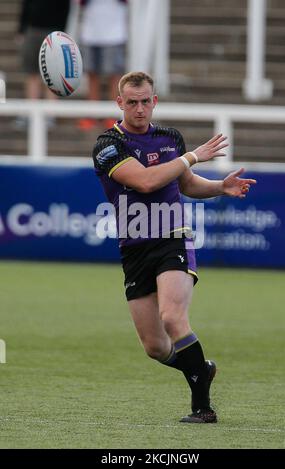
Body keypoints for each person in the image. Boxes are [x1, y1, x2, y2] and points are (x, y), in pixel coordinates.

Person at [92, 71, 256, 423]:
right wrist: (193, 156)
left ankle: (203, 408)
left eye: (146, 101)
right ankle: (201, 367)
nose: (139, 108)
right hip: (134, 248)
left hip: (172, 238)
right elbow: (146, 181)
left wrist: (218, 187)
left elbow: (185, 184)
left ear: (155, 101)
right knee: (155, 347)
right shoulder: (108, 145)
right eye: (132, 102)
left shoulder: (169, 138)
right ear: (119, 103)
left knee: (172, 317)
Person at [16, 0, 70, 129]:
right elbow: (26, 6)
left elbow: (66, 9)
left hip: (53, 31)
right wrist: (21, 30)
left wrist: (61, 33)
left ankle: (50, 114)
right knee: (31, 73)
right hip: (32, 30)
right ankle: (31, 111)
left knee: (53, 75)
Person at [78, 0, 128, 130]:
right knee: (92, 74)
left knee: (115, 76)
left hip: (114, 32)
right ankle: (93, 114)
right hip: (90, 31)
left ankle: (113, 114)